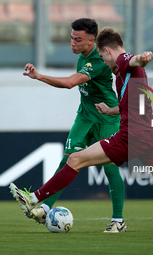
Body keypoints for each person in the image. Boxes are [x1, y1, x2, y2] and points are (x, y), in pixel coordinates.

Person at [10, 27, 153, 234]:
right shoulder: (124, 76)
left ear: (108, 51)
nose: (104, 62)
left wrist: (142, 58)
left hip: (132, 137)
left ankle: (34, 198)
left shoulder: (122, 62)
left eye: (102, 56)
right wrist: (111, 110)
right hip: (150, 135)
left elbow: (133, 61)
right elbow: (129, 103)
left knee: (75, 159)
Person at [20, 19, 126, 233]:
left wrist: (39, 76)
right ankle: (46, 208)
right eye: (71, 38)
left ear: (91, 41)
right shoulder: (83, 55)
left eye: (78, 40)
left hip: (107, 117)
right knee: (67, 161)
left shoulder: (97, 60)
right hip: (85, 116)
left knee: (110, 167)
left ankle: (118, 221)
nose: (73, 43)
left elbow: (70, 83)